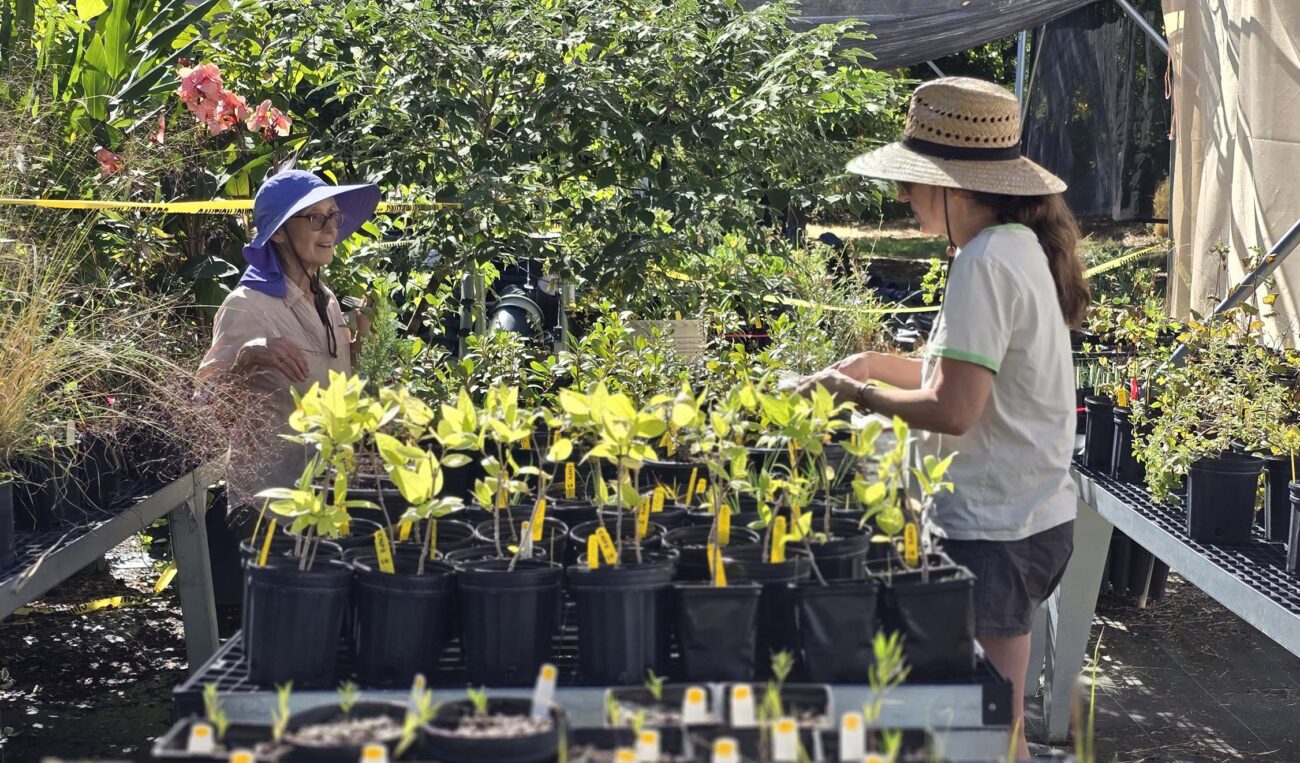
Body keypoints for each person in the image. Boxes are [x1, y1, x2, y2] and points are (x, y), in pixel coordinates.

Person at [796, 77, 1088, 758]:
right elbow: (952, 374)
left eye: (914, 182)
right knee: (990, 724)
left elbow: (955, 409)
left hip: (998, 532)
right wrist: (867, 365)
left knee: (991, 731)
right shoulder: (1010, 245)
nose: (903, 196)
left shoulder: (985, 262)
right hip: (1024, 519)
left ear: (957, 185)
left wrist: (857, 399)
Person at [198, 169, 380, 515]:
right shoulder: (247, 307)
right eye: (315, 218)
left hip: (328, 497)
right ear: (279, 233)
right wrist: (246, 361)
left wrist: (361, 340)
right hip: (271, 513)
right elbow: (205, 413)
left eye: (333, 215)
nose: (330, 229)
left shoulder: (325, 300)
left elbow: (332, 383)